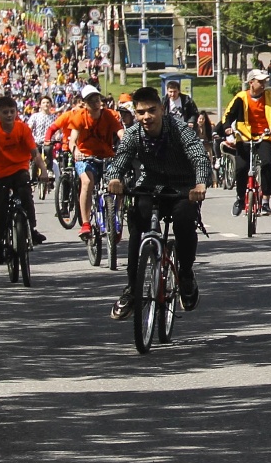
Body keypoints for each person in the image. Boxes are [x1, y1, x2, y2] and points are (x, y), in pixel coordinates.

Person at [103, 87, 209, 320]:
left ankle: (186, 275)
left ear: (162, 109)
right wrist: (114, 178)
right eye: (141, 112)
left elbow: (199, 156)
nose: (146, 117)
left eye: (152, 110)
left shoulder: (179, 129)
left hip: (182, 188)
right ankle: (132, 288)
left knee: (184, 220)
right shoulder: (133, 134)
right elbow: (120, 159)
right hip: (149, 186)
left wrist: (200, 184)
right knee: (136, 222)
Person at [0, 95, 44, 269]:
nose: (9, 115)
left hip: (19, 170)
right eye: (5, 112)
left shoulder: (22, 129)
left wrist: (43, 171)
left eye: (12, 112)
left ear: (16, 112)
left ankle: (32, 228)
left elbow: (34, 153)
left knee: (25, 195)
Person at [222, 69, 271, 216]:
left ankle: (265, 202)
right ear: (251, 83)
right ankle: (239, 198)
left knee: (267, 165)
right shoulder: (241, 98)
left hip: (264, 136)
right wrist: (227, 129)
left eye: (264, 81)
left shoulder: (269, 97)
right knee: (241, 168)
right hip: (244, 136)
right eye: (260, 81)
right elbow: (227, 115)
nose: (264, 84)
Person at [69, 85, 125, 237]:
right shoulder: (80, 116)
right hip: (85, 157)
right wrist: (77, 151)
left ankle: (115, 218)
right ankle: (86, 223)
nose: (95, 103)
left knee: (119, 183)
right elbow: (72, 140)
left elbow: (121, 133)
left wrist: (127, 145)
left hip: (106, 156)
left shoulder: (108, 115)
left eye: (97, 99)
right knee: (87, 182)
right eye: (91, 100)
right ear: (85, 103)